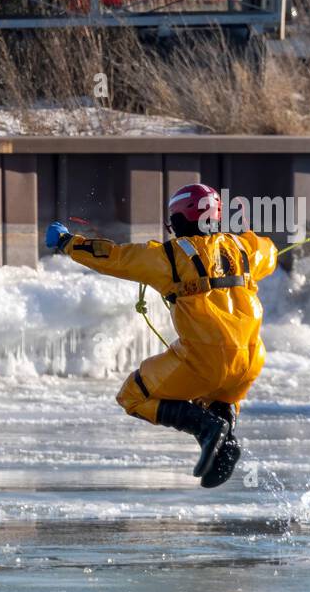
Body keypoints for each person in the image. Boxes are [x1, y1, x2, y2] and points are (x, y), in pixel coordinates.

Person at [45, 184, 278, 488]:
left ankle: (208, 431)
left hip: (206, 359)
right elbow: (269, 250)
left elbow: (112, 257)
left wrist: (66, 242)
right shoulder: (245, 249)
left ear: (180, 219)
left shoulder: (168, 257)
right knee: (217, 397)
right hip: (250, 362)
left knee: (132, 395)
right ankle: (225, 441)